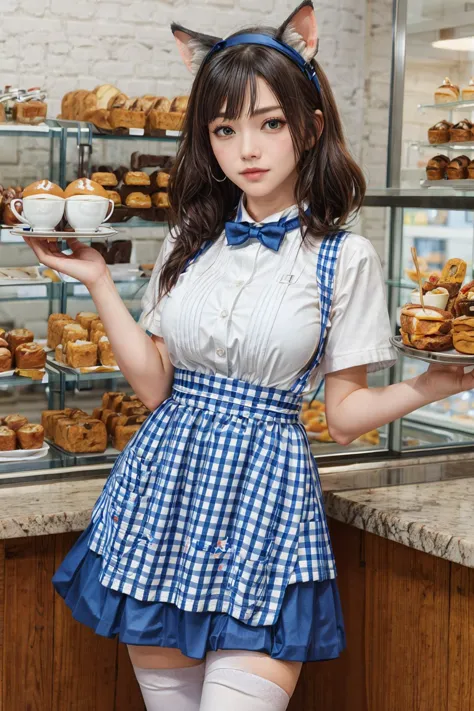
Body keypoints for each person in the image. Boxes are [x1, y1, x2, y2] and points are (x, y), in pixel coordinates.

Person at [23, 2, 474, 709]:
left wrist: (436, 380)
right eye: (225, 129)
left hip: (266, 501)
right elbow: (154, 388)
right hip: (166, 494)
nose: (248, 149)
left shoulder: (343, 258)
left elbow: (347, 416)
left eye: (270, 123)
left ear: (311, 124)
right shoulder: (188, 241)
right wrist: (100, 280)